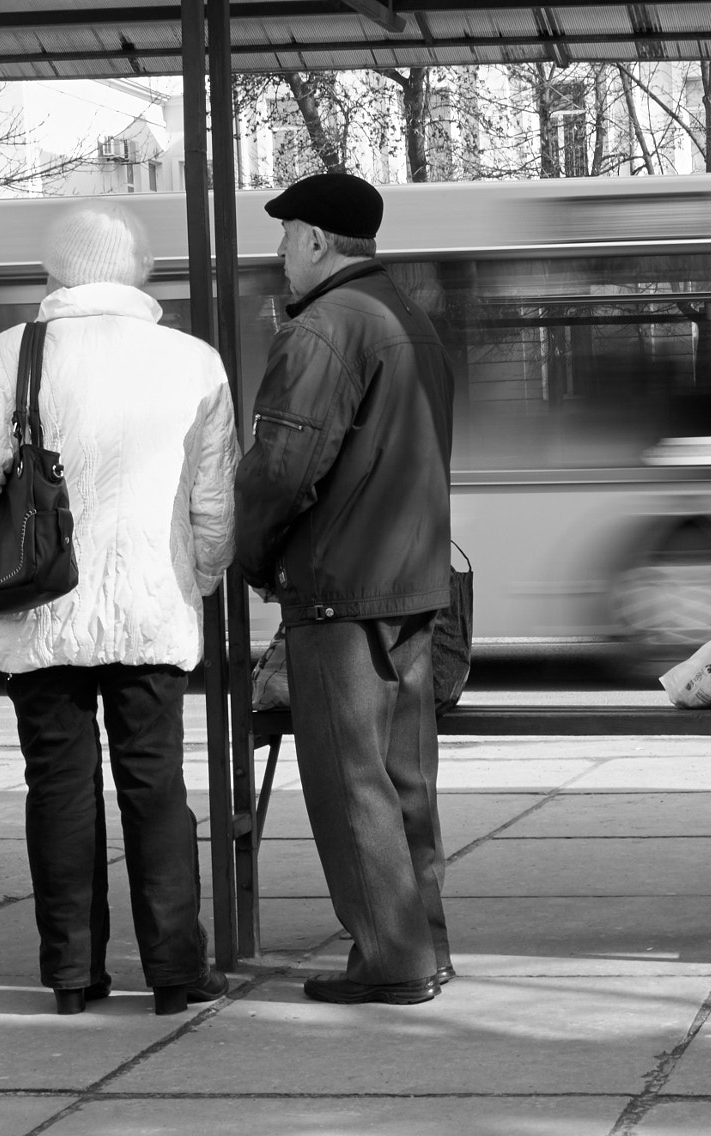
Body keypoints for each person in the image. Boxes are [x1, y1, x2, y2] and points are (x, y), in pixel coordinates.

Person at [0, 202, 237, 1015]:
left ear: (55, 274)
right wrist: (197, 579)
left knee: (59, 787)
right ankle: (177, 972)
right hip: (149, 610)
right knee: (155, 787)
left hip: (41, 613)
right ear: (139, 271)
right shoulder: (194, 361)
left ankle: (73, 974)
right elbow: (214, 507)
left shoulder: (13, 353)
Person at [235, 172, 456, 1006]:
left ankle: (389, 959)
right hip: (412, 586)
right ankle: (426, 943)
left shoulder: (324, 328)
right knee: (406, 782)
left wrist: (250, 554)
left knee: (349, 781)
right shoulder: (409, 320)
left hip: (342, 591)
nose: (279, 250)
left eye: (286, 233)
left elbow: (283, 467)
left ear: (319, 240)